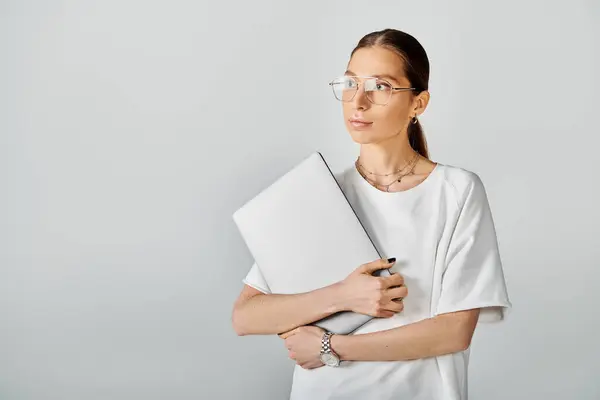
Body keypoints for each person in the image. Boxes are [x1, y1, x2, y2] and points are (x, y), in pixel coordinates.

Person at [231, 28, 512, 400]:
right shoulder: (319, 194)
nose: (357, 101)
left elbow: (454, 331)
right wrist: (343, 296)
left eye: (380, 86)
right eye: (350, 83)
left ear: (418, 103)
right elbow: (246, 316)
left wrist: (331, 346)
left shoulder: (456, 192)